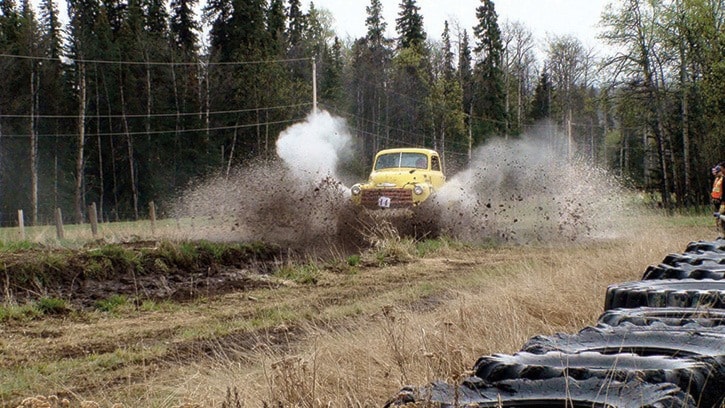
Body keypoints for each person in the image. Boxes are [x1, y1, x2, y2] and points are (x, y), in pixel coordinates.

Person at [712, 164, 724, 232]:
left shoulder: (723, 179)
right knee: (716, 214)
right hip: (716, 199)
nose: (715, 174)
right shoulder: (716, 179)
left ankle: (721, 227)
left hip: (721, 200)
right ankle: (718, 227)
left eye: (717, 172)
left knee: (720, 214)